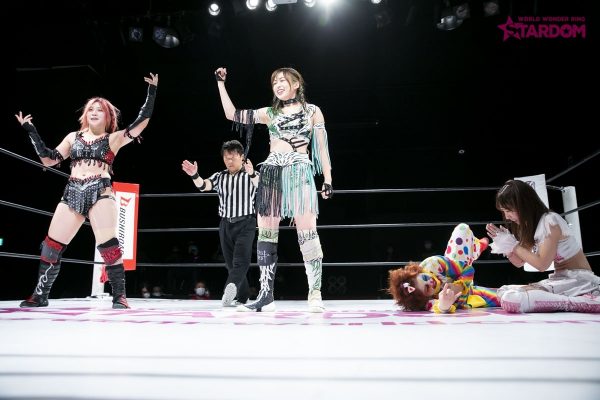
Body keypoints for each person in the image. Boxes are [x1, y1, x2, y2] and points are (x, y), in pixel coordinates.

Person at [15, 72, 159, 309]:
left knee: (108, 246)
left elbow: (140, 122)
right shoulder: (73, 137)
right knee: (51, 245)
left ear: (107, 115)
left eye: (99, 109)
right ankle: (40, 295)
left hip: (100, 191)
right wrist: (31, 130)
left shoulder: (113, 139)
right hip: (72, 190)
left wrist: (151, 92)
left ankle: (119, 296)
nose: (94, 112)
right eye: (91, 108)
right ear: (85, 114)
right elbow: (49, 159)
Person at [214, 66, 333, 312]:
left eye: (282, 80)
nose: (278, 84)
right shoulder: (269, 113)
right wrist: (220, 84)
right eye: (275, 81)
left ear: (296, 84)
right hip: (271, 172)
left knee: (307, 232)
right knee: (266, 233)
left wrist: (328, 179)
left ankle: (315, 293)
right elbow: (232, 114)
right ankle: (266, 295)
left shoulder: (312, 111)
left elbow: (322, 148)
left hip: (299, 170)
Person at [486, 179, 600, 313]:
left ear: (524, 204)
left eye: (509, 210)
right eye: (504, 211)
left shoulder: (550, 220)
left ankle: (583, 301)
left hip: (580, 281)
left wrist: (514, 246)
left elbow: (542, 265)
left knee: (513, 299)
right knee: (504, 291)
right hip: (561, 280)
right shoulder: (529, 225)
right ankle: (569, 300)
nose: (507, 216)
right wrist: (506, 247)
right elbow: (519, 262)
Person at [182, 140, 258, 307]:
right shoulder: (220, 176)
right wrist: (194, 175)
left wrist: (252, 173)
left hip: (246, 223)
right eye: (226, 158)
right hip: (225, 224)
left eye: (233, 157)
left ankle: (229, 288)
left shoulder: (250, 174)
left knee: (241, 261)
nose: (229, 161)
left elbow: (260, 185)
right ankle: (243, 296)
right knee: (230, 264)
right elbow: (204, 186)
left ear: (242, 157)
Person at [388, 223, 499, 313]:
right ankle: (475, 248)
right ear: (424, 298)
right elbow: (437, 307)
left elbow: (467, 269)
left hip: (461, 273)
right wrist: (444, 306)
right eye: (427, 288)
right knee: (502, 298)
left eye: (425, 278)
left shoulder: (433, 263)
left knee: (462, 229)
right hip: (467, 296)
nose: (430, 282)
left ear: (419, 272)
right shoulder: (425, 302)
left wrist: (459, 285)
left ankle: (476, 247)